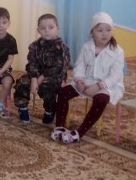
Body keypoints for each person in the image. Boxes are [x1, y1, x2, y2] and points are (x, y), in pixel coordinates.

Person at [52, 12, 124, 144]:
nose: (104, 34)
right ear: (92, 32)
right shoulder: (86, 47)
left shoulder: (118, 51)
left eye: (108, 30)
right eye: (100, 30)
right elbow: (79, 66)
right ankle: (59, 127)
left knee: (100, 99)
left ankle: (79, 132)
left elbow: (115, 76)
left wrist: (98, 86)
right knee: (63, 92)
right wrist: (79, 80)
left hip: (109, 86)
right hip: (87, 81)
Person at [13, 14, 71, 124]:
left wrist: (41, 78)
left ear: (57, 29)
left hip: (55, 76)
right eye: (43, 28)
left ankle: (50, 110)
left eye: (51, 27)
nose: (47, 30)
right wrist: (34, 78)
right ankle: (22, 108)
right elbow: (32, 63)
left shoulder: (61, 48)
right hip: (36, 74)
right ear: (38, 30)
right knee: (22, 82)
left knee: (47, 86)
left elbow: (58, 67)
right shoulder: (34, 46)